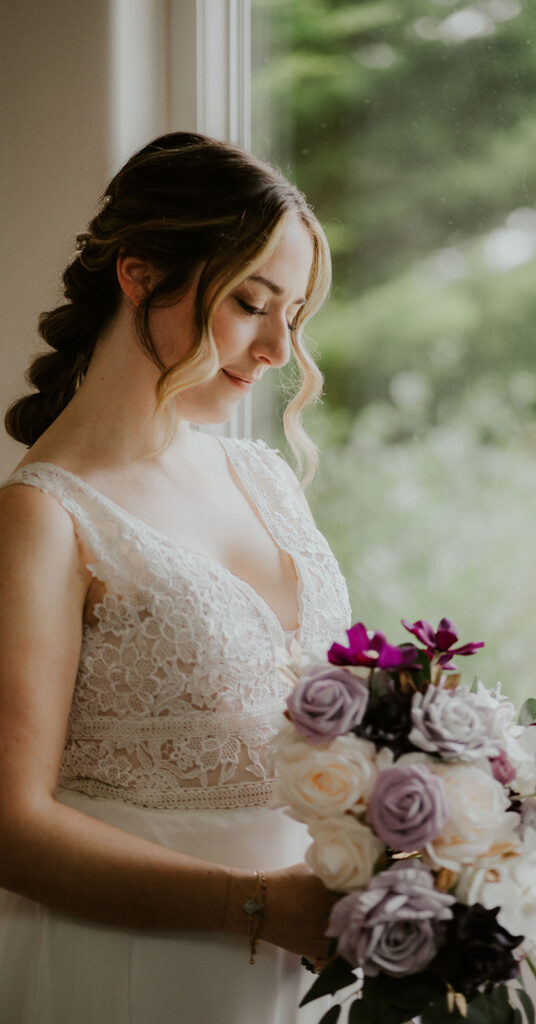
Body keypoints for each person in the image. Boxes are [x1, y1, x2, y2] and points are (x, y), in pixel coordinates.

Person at [0, 132, 352, 1023]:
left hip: (295, 964)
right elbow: (9, 826)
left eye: (295, 316)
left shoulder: (262, 477)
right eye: (251, 302)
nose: (277, 347)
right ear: (140, 274)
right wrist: (260, 905)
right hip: (132, 964)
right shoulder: (44, 517)